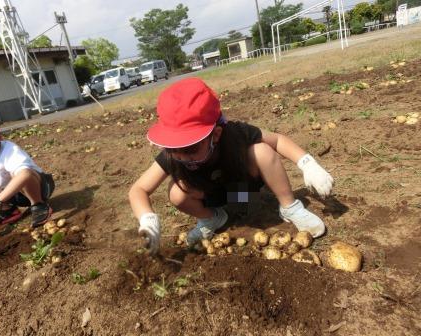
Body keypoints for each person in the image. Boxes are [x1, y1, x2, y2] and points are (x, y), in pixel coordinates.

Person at [129, 78, 333, 255]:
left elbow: (278, 140)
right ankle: (212, 219)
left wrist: (308, 164)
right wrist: (147, 220)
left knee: (262, 151)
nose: (181, 156)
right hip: (215, 199)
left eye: (190, 148)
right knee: (176, 193)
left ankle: (289, 207)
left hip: (245, 193)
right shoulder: (173, 155)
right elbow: (139, 189)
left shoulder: (234, 134)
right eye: (173, 147)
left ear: (215, 134)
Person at [0, 114, 54, 229]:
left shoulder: (9, 149)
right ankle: (9, 210)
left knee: (21, 173)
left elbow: (25, 174)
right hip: (12, 195)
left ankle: (38, 205)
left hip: (39, 187)